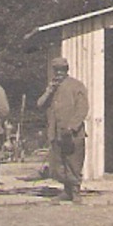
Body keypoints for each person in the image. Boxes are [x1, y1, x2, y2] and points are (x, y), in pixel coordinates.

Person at [39, 56, 89, 203]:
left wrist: (72, 126)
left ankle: (75, 192)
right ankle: (66, 191)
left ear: (67, 70)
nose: (59, 73)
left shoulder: (76, 85)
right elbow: (40, 105)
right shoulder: (52, 87)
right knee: (59, 164)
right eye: (56, 70)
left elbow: (82, 108)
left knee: (74, 162)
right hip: (56, 133)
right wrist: (49, 91)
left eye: (62, 70)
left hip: (72, 133)